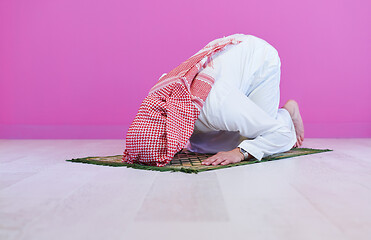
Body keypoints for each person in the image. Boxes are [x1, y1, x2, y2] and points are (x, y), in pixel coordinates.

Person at [184, 33, 305, 166]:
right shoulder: (172, 103)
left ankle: (287, 113)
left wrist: (240, 153)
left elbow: (282, 135)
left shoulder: (213, 105)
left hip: (258, 57)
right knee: (202, 147)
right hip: (230, 56)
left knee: (256, 138)